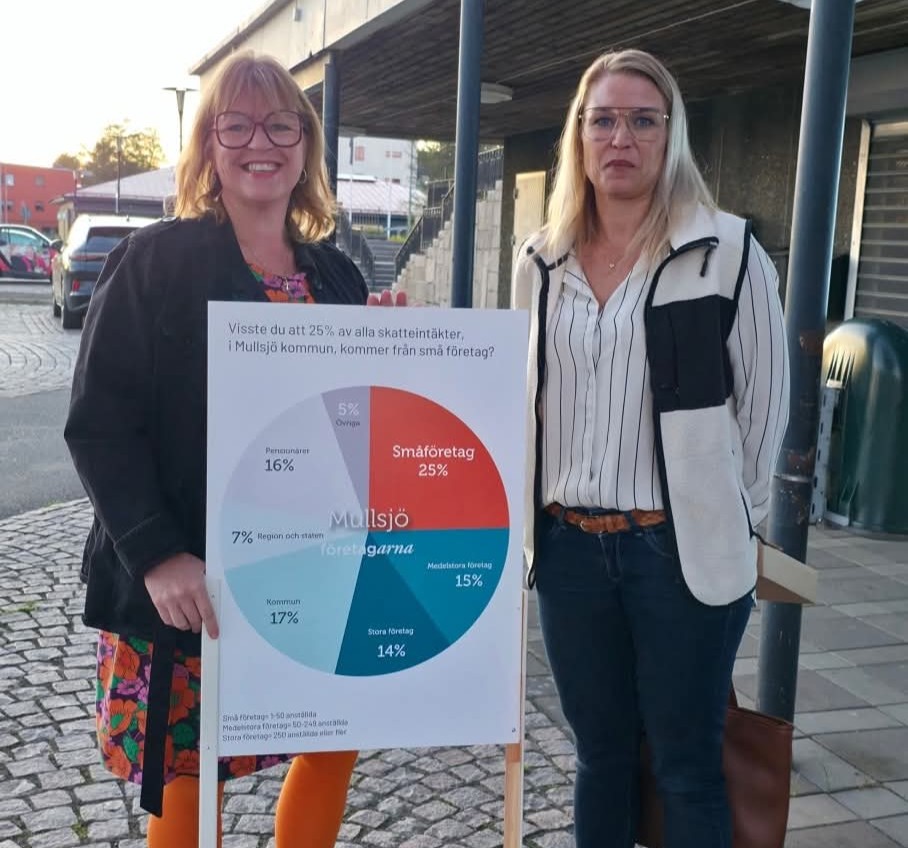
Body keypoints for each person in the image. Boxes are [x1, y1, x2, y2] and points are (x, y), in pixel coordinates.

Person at [65, 51, 400, 848]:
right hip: (193, 582)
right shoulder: (156, 261)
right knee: (189, 770)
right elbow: (100, 422)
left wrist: (397, 352)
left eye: (281, 125)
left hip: (313, 567)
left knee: (332, 737)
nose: (261, 143)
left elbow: (355, 425)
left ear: (305, 144)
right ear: (209, 145)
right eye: (237, 125)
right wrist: (157, 555)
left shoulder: (337, 276)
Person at [513, 49, 790, 848]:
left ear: (672, 135)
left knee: (685, 764)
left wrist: (721, 521)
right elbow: (522, 401)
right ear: (579, 135)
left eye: (643, 120)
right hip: (568, 552)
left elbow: (764, 415)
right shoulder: (541, 261)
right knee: (599, 758)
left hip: (680, 556)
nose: (621, 138)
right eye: (603, 120)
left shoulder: (725, 254)